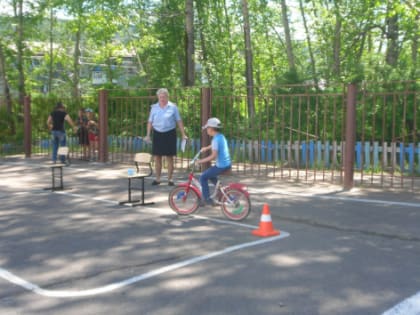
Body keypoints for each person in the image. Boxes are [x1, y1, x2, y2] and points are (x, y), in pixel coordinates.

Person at [144, 88, 188, 186]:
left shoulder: (173, 107)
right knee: (157, 157)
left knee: (170, 157)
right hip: (157, 134)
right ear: (158, 97)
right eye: (160, 97)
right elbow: (150, 121)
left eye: (164, 97)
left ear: (167, 97)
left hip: (170, 133)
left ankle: (170, 179)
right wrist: (147, 135)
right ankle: (158, 179)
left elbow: (179, 121)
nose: (162, 99)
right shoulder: (154, 107)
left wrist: (183, 134)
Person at [197, 117, 232, 206]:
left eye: (207, 128)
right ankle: (225, 194)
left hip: (221, 165)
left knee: (203, 177)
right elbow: (215, 145)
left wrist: (200, 161)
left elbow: (213, 156)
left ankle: (207, 199)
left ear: (211, 129)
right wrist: (206, 148)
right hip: (226, 163)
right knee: (211, 176)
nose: (207, 130)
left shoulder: (215, 140)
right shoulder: (220, 136)